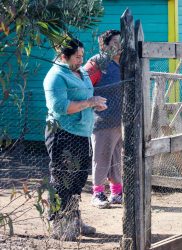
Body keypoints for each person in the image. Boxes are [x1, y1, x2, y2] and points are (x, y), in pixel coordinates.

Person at [44, 38, 108, 240]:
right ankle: (58, 225)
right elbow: (61, 107)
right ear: (64, 57)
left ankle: (73, 219)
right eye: (77, 56)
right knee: (62, 181)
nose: (82, 59)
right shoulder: (55, 76)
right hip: (62, 133)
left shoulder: (81, 72)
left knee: (78, 180)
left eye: (82, 55)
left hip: (81, 132)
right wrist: (89, 102)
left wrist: (93, 104)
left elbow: (84, 98)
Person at [84, 30, 123, 209]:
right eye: (114, 42)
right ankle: (98, 194)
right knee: (101, 158)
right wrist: (92, 103)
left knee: (117, 158)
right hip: (101, 121)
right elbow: (81, 87)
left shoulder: (125, 62)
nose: (119, 46)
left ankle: (116, 193)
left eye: (121, 42)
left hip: (121, 121)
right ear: (104, 46)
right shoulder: (97, 63)